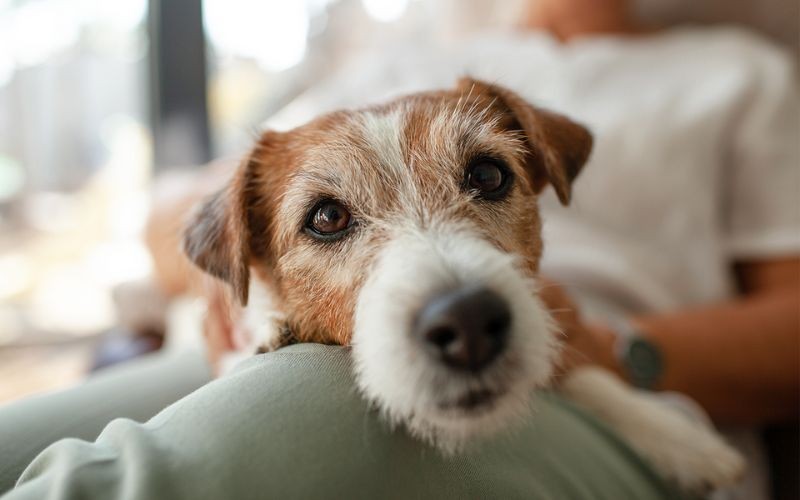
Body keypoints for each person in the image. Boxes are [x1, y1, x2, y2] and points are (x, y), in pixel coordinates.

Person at [1, 0, 797, 498]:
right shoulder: (393, 58)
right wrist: (236, 283)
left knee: (293, 402)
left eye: (486, 177)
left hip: (612, 391)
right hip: (325, 339)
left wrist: (620, 353)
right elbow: (179, 221)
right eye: (330, 220)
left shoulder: (738, 73)